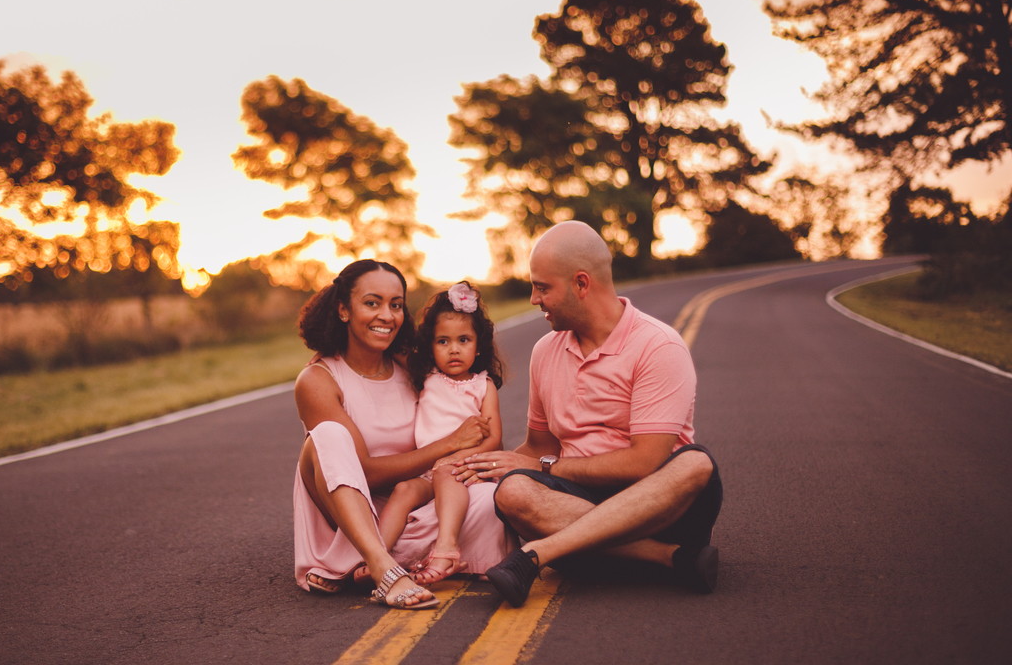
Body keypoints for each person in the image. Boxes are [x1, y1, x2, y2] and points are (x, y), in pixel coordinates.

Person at [460, 221, 723, 607]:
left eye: (543, 287)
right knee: (513, 489)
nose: (534, 298)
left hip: (660, 506)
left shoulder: (658, 345)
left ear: (581, 284)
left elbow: (644, 463)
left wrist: (545, 468)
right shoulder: (545, 351)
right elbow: (539, 447)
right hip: (579, 501)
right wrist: (482, 467)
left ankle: (540, 555)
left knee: (696, 464)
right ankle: (666, 558)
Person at [292, 260, 513, 610]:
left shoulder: (414, 366)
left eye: (396, 305)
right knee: (328, 436)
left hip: (419, 509)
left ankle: (409, 557)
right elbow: (364, 471)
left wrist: (466, 454)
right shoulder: (318, 379)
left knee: (490, 497)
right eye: (372, 302)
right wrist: (450, 443)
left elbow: (469, 419)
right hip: (354, 516)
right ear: (343, 309)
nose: (387, 315)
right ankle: (380, 564)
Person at [373, 282, 505, 586]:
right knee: (404, 490)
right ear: (431, 346)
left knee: (445, 473)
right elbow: (391, 343)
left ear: (479, 344)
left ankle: (447, 547)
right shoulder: (429, 377)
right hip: (428, 472)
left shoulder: (483, 386)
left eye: (464, 340)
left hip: (465, 467)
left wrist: (458, 458)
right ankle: (377, 555)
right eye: (443, 341)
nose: (454, 349)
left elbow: (493, 437)